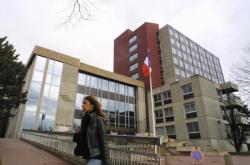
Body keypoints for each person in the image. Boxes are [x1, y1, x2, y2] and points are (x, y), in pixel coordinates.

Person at [73, 95, 110, 165]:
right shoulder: (85, 119)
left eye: (85, 103)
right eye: (82, 103)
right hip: (88, 155)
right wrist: (77, 133)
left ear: (92, 105)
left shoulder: (98, 119)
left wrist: (107, 162)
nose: (82, 105)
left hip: (96, 155)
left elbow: (104, 141)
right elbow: (79, 140)